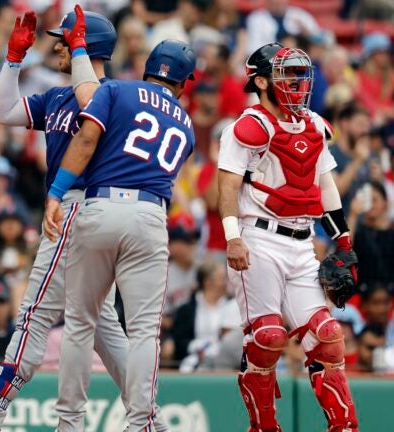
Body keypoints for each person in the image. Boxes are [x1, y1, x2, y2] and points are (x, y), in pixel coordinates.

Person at [0, 7, 157, 432]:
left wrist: (80, 46)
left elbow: (95, 107)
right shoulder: (58, 96)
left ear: (87, 46)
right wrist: (12, 60)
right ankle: (150, 420)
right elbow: (4, 110)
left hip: (79, 207)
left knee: (36, 311)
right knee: (104, 323)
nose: (55, 45)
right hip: (81, 212)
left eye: (65, 39)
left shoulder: (114, 95)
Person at [42, 37, 196, 431]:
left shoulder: (116, 88)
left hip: (101, 206)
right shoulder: (186, 123)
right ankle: (141, 423)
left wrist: (56, 192)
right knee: (144, 331)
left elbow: (88, 138)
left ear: (148, 67)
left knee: (79, 321)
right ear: (183, 82)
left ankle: (70, 424)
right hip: (150, 215)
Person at [217, 42, 360, 431]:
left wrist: (344, 241)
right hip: (258, 238)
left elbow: (325, 187)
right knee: (267, 336)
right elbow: (227, 185)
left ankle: (344, 426)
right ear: (261, 81)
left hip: (301, 240)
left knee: (328, 335)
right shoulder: (247, 126)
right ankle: (263, 426)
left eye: (299, 74)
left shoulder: (315, 123)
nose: (296, 82)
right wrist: (232, 237)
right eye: (286, 75)